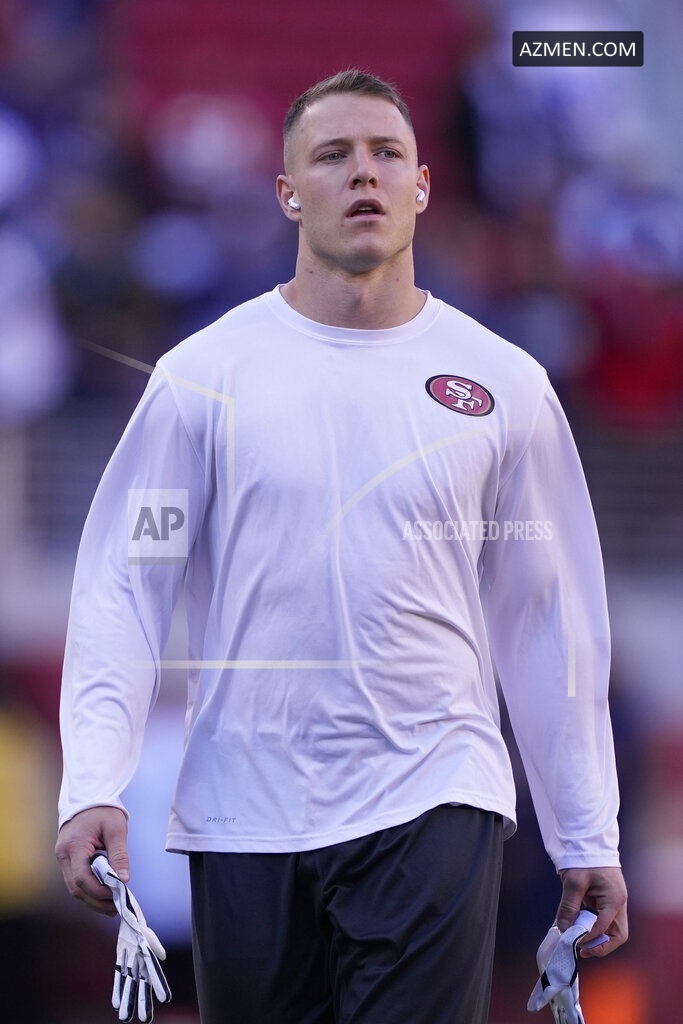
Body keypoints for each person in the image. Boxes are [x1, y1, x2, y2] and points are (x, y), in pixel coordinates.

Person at [55, 69, 628, 1024]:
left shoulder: (505, 385)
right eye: (332, 156)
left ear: (422, 185)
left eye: (385, 153)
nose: (363, 173)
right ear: (287, 192)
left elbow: (548, 615)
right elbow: (127, 580)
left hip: (435, 794)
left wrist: (585, 831)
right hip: (243, 808)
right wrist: (91, 783)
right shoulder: (202, 379)